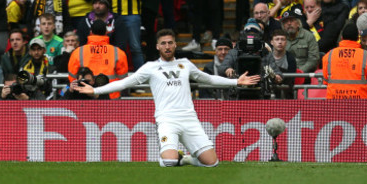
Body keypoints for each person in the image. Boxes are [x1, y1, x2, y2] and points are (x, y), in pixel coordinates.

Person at [71, 29, 260, 167]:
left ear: (175, 45)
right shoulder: (150, 67)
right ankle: (173, 156)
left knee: (212, 163)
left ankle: (185, 158)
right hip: (167, 120)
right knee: (169, 161)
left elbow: (208, 79)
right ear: (157, 46)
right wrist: (95, 91)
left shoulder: (185, 64)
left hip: (189, 119)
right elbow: (124, 83)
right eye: (163, 43)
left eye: (170, 43)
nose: (167, 46)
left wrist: (236, 82)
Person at [68, 19, 128, 100]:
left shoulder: (78, 52)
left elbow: (72, 78)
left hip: (85, 97)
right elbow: (123, 79)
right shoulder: (118, 52)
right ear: (106, 32)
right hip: (111, 97)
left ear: (91, 32)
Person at [321, 23, 367, 99]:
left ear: (341, 38)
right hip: (359, 102)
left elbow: (325, 81)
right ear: (358, 39)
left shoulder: (329, 55)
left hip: (334, 102)